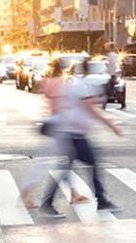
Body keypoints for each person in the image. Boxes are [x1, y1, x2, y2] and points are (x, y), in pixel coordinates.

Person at [38, 58, 123, 217]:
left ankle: (101, 200)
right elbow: (91, 109)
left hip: (72, 134)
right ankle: (48, 204)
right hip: (71, 135)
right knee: (69, 168)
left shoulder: (74, 83)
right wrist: (112, 125)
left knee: (82, 165)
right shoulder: (81, 86)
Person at [19, 58, 80, 210]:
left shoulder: (49, 82)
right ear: (63, 68)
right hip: (59, 124)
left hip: (53, 122)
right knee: (47, 162)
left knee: (65, 159)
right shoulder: (60, 83)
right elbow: (62, 105)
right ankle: (26, 192)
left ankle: (73, 193)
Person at [104, 43, 122, 109]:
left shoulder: (111, 55)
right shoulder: (115, 55)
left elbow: (109, 64)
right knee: (112, 86)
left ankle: (110, 96)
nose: (105, 48)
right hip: (112, 73)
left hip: (111, 74)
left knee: (109, 87)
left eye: (106, 47)